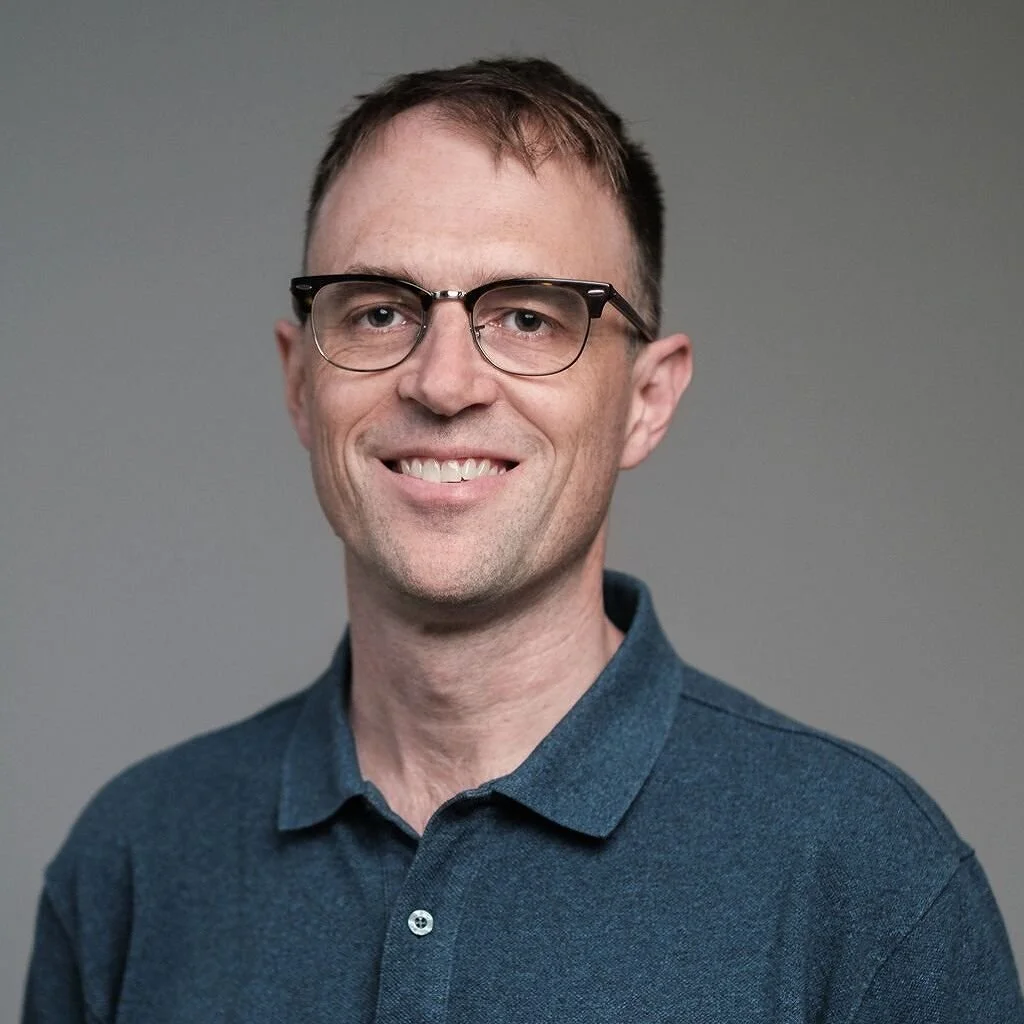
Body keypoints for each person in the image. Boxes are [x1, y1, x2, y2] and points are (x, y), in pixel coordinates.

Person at [22, 56, 1022, 1023]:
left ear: (644, 398)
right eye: (378, 310)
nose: (443, 381)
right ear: (299, 383)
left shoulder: (864, 871)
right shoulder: (133, 862)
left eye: (530, 319)